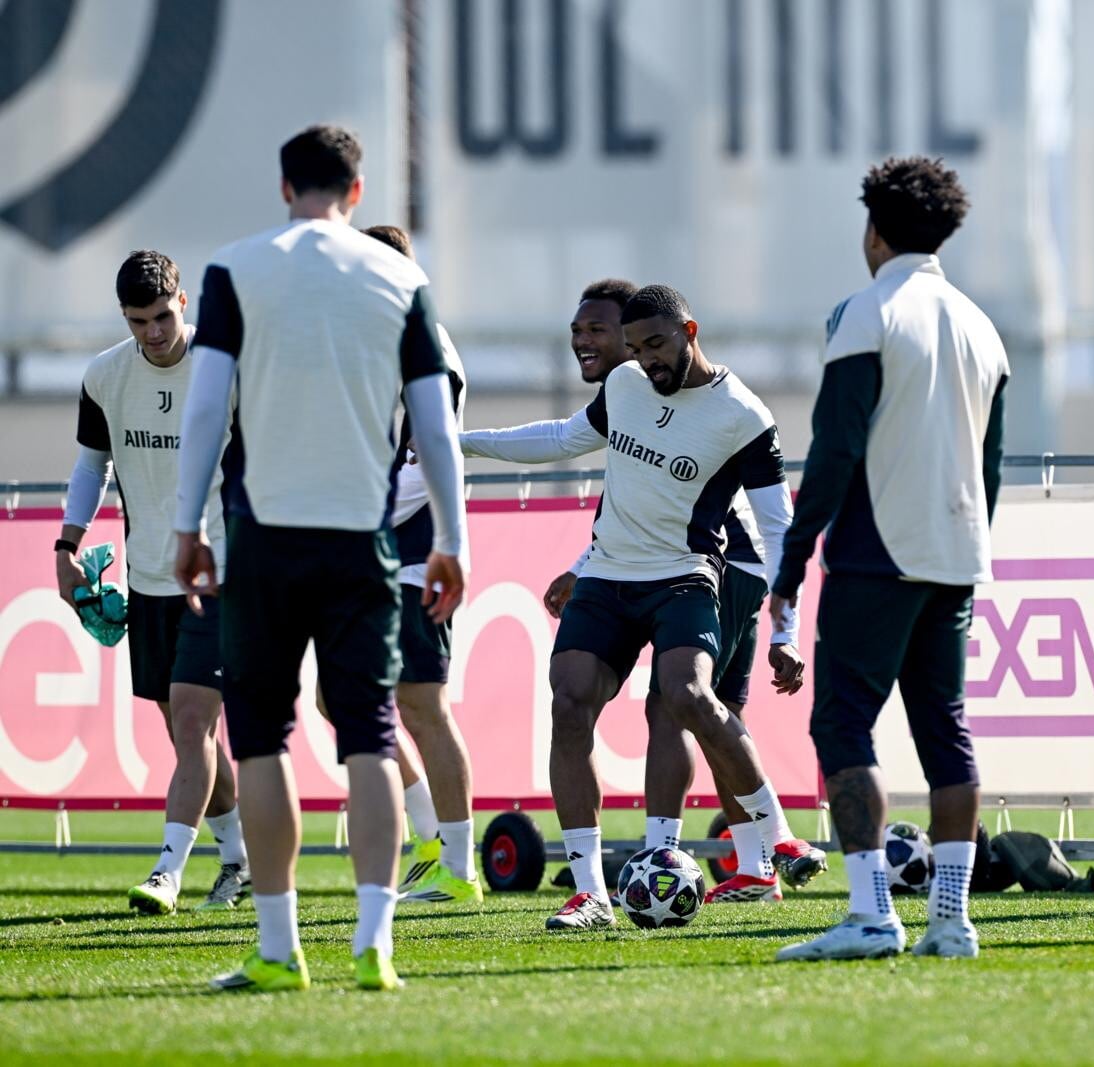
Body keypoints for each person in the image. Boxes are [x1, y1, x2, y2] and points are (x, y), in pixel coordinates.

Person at [173, 125, 467, 992]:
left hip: (263, 538)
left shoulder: (234, 268)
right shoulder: (400, 277)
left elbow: (206, 410)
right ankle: (375, 942)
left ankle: (278, 949)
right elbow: (435, 425)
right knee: (370, 735)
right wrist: (453, 538)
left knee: (262, 741)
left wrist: (185, 525)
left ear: (283, 187)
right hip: (362, 542)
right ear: (358, 191)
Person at [460, 280, 826, 904]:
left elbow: (778, 529)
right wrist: (461, 442)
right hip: (607, 577)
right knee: (568, 704)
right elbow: (561, 439)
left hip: (684, 577)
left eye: (655, 345)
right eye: (634, 348)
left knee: (687, 698)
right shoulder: (626, 384)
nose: (645, 361)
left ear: (690, 332)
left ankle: (776, 840)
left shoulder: (743, 415)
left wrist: (786, 632)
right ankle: (590, 895)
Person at [771, 156, 1009, 962]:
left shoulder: (866, 312)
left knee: (842, 724)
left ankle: (872, 914)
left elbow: (835, 447)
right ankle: (951, 919)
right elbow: (991, 467)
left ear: (874, 230)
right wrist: (969, 545)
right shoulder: (982, 326)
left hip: (877, 553)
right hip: (956, 554)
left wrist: (793, 558)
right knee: (946, 729)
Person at [57, 250, 249, 915]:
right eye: (139, 321)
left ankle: (167, 872)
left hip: (219, 576)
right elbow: (92, 466)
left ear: (183, 302)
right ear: (125, 317)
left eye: (163, 316)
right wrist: (66, 545)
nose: (154, 332)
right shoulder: (104, 376)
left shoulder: (226, 369)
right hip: (147, 579)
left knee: (193, 721)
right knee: (191, 736)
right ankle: (239, 859)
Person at [324, 223, 480, 908]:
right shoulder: (384, 342)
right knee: (338, 698)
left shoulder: (427, 349)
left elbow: (423, 467)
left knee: (422, 706)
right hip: (377, 556)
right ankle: (431, 838)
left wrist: (350, 521)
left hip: (414, 556)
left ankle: (459, 866)